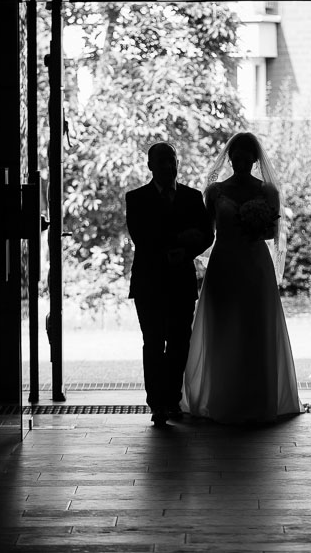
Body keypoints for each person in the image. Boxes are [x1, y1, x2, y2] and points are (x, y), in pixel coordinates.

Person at [181, 132, 303, 424]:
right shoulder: (215, 192)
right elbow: (207, 231)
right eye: (236, 156)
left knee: (254, 329)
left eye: (247, 157)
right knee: (223, 329)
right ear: (230, 157)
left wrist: (254, 225)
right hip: (224, 264)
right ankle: (221, 397)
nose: (241, 161)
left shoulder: (268, 192)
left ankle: (258, 399)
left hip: (255, 266)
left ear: (255, 159)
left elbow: (273, 233)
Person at [126, 142, 214, 426]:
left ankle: (172, 400)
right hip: (149, 281)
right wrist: (177, 243)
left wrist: (187, 252)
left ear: (178, 162)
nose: (167, 165)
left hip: (180, 280)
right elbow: (141, 236)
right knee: (152, 342)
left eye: (171, 160)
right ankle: (157, 404)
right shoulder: (135, 198)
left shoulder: (192, 197)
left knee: (179, 342)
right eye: (161, 161)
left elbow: (206, 234)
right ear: (150, 166)